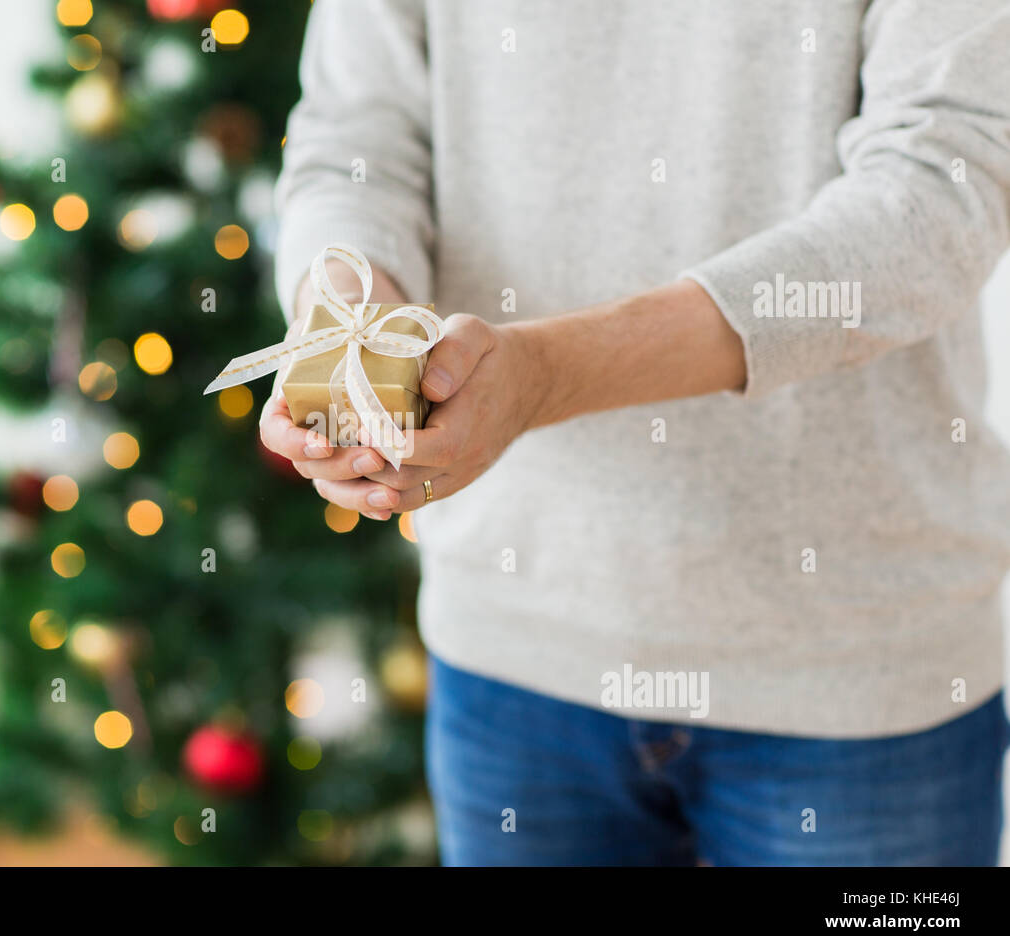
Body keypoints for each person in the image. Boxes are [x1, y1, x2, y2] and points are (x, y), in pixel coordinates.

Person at [261, 0, 1010, 865]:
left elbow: (939, 193)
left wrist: (545, 374)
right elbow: (356, 137)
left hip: (858, 676)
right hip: (512, 646)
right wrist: (348, 324)